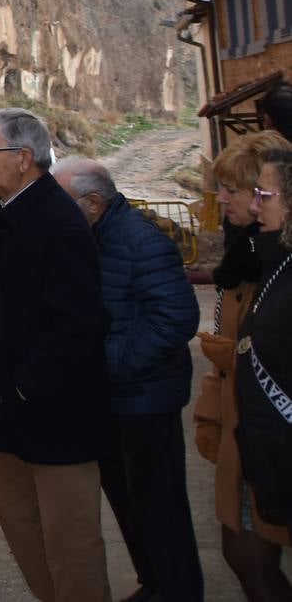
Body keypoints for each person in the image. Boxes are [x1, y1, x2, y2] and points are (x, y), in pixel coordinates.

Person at [0, 107, 111, 602]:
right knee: (19, 523)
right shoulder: (6, 220)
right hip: (14, 414)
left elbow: (81, 324)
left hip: (56, 417)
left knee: (71, 546)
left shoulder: (58, 224)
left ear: (24, 157)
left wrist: (26, 384)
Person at [54, 155, 204, 602]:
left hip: (146, 401)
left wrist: (111, 364)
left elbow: (176, 318)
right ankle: (153, 583)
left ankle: (178, 591)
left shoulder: (142, 241)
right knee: (128, 503)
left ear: (94, 202)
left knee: (160, 508)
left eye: (63, 203)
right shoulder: (92, 237)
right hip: (112, 401)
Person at [195, 136, 292, 600]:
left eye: (232, 189)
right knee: (243, 553)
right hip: (246, 432)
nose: (222, 199)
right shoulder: (247, 256)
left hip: (269, 439)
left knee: (252, 556)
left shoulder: (271, 261)